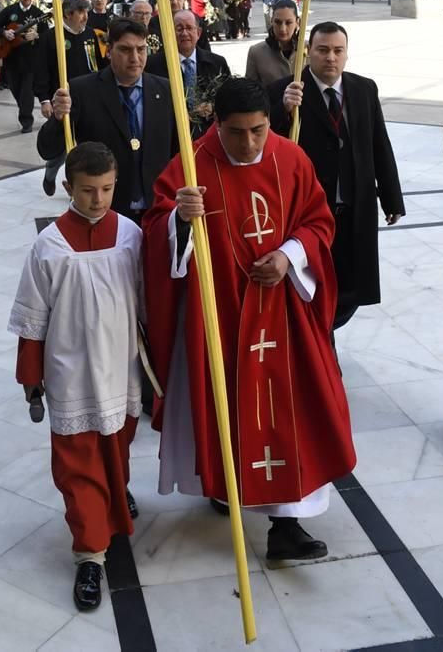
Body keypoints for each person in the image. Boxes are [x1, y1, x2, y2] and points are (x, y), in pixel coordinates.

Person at [143, 77, 356, 565]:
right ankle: (223, 487)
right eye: (236, 132)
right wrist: (177, 220)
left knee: (290, 410)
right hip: (218, 316)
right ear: (217, 124)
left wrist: (288, 254)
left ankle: (287, 525)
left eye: (258, 130)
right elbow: (154, 233)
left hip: (282, 315)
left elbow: (319, 221)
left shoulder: (290, 157)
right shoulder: (192, 165)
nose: (249, 143)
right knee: (226, 408)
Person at [9, 142, 143, 613]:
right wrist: (31, 377)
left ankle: (115, 493)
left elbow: (148, 303)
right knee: (77, 467)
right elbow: (33, 319)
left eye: (107, 189)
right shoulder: (49, 247)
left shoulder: (130, 235)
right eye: (88, 190)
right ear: (67, 188)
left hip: (120, 370)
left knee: (116, 448)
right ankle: (90, 555)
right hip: (70, 374)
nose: (99, 200)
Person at [269, 22, 404, 328]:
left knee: (351, 285)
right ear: (308, 52)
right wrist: (283, 111)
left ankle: (328, 334)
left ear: (346, 54)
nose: (331, 57)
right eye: (323, 50)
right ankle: (322, 345)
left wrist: (392, 198)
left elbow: (378, 143)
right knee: (312, 283)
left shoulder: (363, 89)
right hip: (310, 213)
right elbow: (268, 145)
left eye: (337, 51)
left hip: (355, 207)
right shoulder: (288, 90)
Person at [39, 18, 176, 222]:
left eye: (141, 49)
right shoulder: (82, 90)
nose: (135, 58)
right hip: (104, 210)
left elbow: (177, 149)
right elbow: (47, 148)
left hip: (156, 210)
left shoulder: (165, 89)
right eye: (125, 50)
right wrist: (58, 118)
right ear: (109, 51)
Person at [39, 0, 100, 196]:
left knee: (85, 144)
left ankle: (78, 186)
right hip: (63, 101)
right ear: (68, 14)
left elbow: (98, 65)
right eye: (81, 12)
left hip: (90, 98)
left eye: (86, 12)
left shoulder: (91, 35)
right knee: (64, 146)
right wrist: (45, 100)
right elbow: (42, 71)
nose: (85, 17)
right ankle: (51, 172)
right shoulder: (51, 37)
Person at [146, 10, 230, 141]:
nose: (184, 33)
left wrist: (213, 107)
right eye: (179, 29)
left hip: (210, 136)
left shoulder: (217, 63)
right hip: (170, 137)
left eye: (189, 28)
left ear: (198, 33)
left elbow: (229, 99)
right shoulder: (152, 65)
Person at [0, 0, 48, 132]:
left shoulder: (38, 14)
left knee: (27, 89)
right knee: (15, 88)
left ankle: (26, 120)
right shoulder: (10, 11)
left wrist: (37, 35)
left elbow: (47, 35)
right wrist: (3, 32)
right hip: (11, 57)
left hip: (31, 59)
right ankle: (25, 109)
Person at [245, 0, 299, 87]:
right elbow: (250, 92)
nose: (283, 29)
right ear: (271, 21)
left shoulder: (309, 49)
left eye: (288, 22)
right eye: (278, 22)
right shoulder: (256, 52)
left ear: (297, 22)